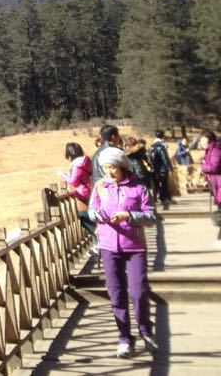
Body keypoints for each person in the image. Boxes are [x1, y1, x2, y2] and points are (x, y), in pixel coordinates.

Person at [90, 147, 157, 358]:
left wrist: (128, 216)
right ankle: (125, 339)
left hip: (134, 247)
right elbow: (92, 209)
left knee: (138, 292)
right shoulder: (100, 187)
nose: (109, 171)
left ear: (122, 167)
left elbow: (151, 217)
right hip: (109, 247)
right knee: (116, 294)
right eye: (106, 167)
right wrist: (96, 214)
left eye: (113, 167)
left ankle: (145, 330)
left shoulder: (138, 187)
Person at [58, 141, 95, 236]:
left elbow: (73, 181)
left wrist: (63, 174)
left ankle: (100, 240)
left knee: (85, 218)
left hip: (82, 194)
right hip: (91, 190)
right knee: (93, 216)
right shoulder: (86, 161)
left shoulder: (77, 165)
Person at [200, 130, 221, 246]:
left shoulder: (215, 151)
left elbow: (214, 167)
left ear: (207, 139)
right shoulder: (210, 150)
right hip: (217, 185)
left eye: (202, 139)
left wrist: (203, 166)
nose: (200, 141)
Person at [148, 130, 173, 209]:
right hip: (162, 169)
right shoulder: (161, 146)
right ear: (162, 136)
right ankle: (164, 200)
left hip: (154, 169)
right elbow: (164, 158)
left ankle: (162, 198)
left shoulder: (152, 146)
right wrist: (169, 168)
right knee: (164, 184)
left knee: (157, 184)